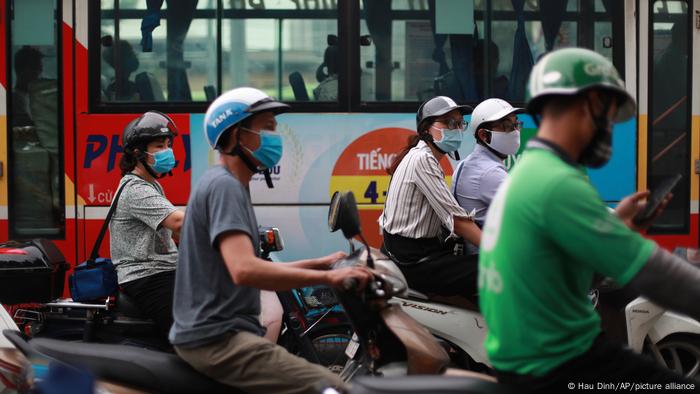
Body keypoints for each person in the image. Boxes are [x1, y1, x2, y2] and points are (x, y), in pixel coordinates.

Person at [478, 47, 700, 392]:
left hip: (541, 360)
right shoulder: (556, 183)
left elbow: (577, 277)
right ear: (590, 103)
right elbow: (657, 275)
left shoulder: (532, 171)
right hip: (561, 366)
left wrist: (621, 230)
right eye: (609, 116)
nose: (610, 129)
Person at [169, 87, 372, 394]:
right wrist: (332, 276)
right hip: (219, 339)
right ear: (237, 133)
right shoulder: (225, 187)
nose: (275, 137)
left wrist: (322, 264)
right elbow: (244, 270)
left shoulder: (228, 183)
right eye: (267, 128)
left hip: (219, 333)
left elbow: (249, 269)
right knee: (331, 387)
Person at [379, 96, 482, 302]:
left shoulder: (423, 156)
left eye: (460, 123)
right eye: (449, 123)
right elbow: (458, 222)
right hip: (415, 263)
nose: (457, 129)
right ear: (426, 129)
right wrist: (500, 252)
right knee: (494, 270)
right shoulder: (422, 159)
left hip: (414, 254)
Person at [110, 111, 184, 342]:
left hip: (163, 269)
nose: (167, 151)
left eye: (168, 145)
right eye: (159, 146)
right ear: (137, 152)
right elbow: (178, 221)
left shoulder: (151, 185)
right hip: (147, 275)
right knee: (191, 337)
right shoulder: (135, 189)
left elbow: (177, 232)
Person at [452, 98, 522, 254]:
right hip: (492, 261)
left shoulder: (465, 164)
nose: (515, 131)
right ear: (484, 135)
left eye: (516, 124)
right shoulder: (490, 173)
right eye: (506, 126)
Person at [12, 46, 43, 127]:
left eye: (39, 69)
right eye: (35, 69)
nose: (38, 74)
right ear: (21, 70)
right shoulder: (15, 101)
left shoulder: (35, 99)